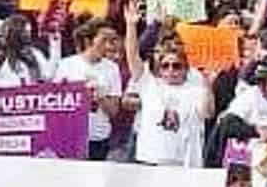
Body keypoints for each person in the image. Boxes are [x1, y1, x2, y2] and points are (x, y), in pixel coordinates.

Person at [124, 10, 214, 166]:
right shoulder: (149, 84)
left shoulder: (195, 88)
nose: (170, 70)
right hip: (150, 159)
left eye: (176, 66)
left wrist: (207, 86)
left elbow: (207, 113)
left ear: (186, 68)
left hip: (184, 162)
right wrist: (131, 25)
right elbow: (132, 55)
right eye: (165, 66)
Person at [55, 19, 125, 160]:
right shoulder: (66, 65)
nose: (108, 46)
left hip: (98, 138)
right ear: (89, 41)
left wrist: (99, 97)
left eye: (111, 41)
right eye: (103, 40)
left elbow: (114, 111)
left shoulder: (112, 69)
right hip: (70, 137)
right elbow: (55, 105)